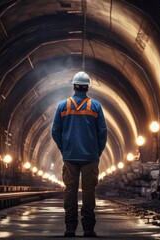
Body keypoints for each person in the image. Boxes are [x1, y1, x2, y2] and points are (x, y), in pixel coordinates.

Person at [52, 71, 107, 237]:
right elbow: (102, 132)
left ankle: (70, 228)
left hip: (70, 157)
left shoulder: (63, 106)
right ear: (87, 87)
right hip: (90, 157)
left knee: (70, 191)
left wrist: (64, 149)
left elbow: (55, 131)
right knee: (89, 192)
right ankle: (88, 228)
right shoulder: (95, 106)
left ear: (74, 86)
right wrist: (97, 152)